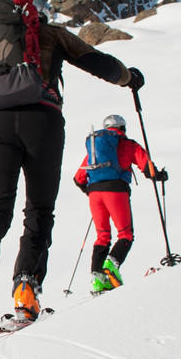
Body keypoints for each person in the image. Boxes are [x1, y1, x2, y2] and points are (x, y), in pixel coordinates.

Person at [0, 0, 140, 329]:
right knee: (38, 211)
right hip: (43, 122)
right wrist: (129, 78)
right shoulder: (48, 34)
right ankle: (26, 289)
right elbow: (97, 62)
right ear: (28, 8)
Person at [73, 114, 166, 293]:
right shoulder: (128, 144)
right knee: (125, 234)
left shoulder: (95, 150)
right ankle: (110, 269)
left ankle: (98, 279)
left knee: (102, 236)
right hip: (116, 191)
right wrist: (160, 175)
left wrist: (92, 191)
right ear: (122, 128)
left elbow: (78, 179)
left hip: (95, 194)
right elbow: (148, 168)